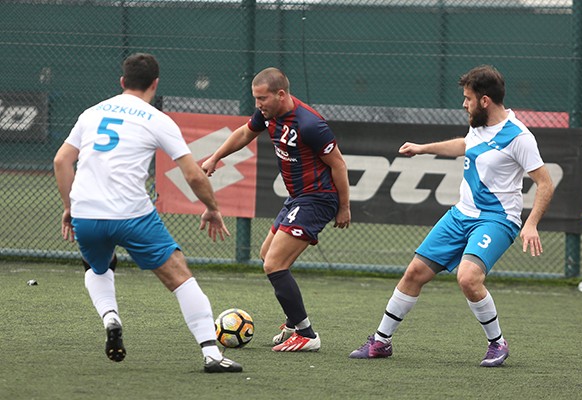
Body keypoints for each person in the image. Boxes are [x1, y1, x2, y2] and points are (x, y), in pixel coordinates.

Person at [349, 65, 554, 367]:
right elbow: (465, 145)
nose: (464, 104)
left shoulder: (519, 137)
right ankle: (381, 342)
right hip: (461, 214)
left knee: (468, 278)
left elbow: (545, 183)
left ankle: (497, 344)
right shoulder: (479, 124)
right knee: (413, 273)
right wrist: (422, 149)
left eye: (468, 98)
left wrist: (531, 223)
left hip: (497, 219)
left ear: (485, 100)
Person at [53, 53, 242, 373]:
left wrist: (71, 208)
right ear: (155, 84)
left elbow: (61, 161)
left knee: (97, 268)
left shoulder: (91, 113)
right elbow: (194, 174)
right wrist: (212, 208)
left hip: (86, 212)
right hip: (132, 216)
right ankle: (212, 354)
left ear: (122, 82)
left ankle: (110, 316)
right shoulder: (157, 119)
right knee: (180, 277)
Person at [202, 67, 351, 352]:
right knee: (266, 256)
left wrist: (344, 207)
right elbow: (246, 132)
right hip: (297, 198)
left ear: (280, 95)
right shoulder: (268, 115)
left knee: (274, 264)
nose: (258, 105)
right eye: (255, 99)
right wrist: (216, 156)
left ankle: (306, 334)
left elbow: (338, 165)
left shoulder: (310, 124)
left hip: (318, 198)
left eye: (262, 98)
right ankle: (294, 323)